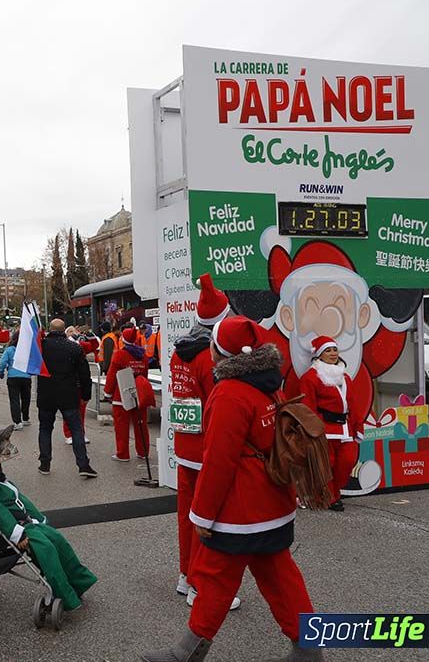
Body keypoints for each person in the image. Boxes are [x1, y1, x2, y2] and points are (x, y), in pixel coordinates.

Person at [141, 316, 318, 662]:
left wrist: (202, 515)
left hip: (241, 511)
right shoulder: (270, 385)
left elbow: (219, 462)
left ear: (220, 352)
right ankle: (309, 648)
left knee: (215, 579)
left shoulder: (228, 393)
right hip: (275, 501)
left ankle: (186, 652)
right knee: (282, 579)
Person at [168, 273, 239, 610]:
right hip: (206, 448)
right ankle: (201, 586)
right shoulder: (209, 358)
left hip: (184, 444)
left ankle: (186, 575)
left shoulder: (178, 353)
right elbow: (218, 404)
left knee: (187, 515)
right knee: (209, 519)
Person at [0, 445, 97, 611]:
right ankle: (64, 595)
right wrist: (18, 535)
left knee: (59, 541)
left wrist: (40, 519)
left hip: (29, 523)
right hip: (19, 530)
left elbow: (23, 501)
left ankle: (79, 582)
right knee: (47, 550)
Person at [299, 335, 361, 512]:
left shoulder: (345, 377)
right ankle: (331, 497)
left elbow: (353, 403)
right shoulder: (310, 378)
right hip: (324, 429)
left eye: (335, 349)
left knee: (347, 462)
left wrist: (358, 427)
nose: (333, 353)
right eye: (328, 350)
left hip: (345, 429)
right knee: (326, 465)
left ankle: (331, 493)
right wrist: (313, 431)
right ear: (319, 354)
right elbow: (308, 407)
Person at [36, 319, 96, 478]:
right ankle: (83, 465)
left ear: (50, 329)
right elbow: (84, 374)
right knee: (76, 429)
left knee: (45, 429)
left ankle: (45, 463)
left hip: (46, 393)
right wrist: (86, 395)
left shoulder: (41, 347)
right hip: (68, 393)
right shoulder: (74, 348)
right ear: (64, 330)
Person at [103, 325, 155, 461]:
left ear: (123, 340)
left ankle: (123, 453)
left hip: (121, 394)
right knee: (141, 424)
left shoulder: (119, 355)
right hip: (138, 393)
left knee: (121, 426)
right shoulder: (143, 356)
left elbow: (112, 376)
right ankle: (143, 452)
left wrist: (107, 392)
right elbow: (144, 376)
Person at [61, 326, 97, 446]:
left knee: (81, 410)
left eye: (74, 331)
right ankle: (68, 434)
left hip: (81, 382)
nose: (73, 333)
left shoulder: (80, 345)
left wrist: (89, 334)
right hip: (68, 382)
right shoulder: (63, 346)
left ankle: (80, 433)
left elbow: (94, 346)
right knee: (69, 410)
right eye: (69, 331)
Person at [0, 331, 31, 430]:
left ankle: (17, 422)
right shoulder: (27, 350)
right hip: (26, 377)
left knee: (14, 400)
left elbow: (3, 363)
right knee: (26, 398)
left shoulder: (10, 350)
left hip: (13, 377)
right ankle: (25, 418)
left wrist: (1, 372)